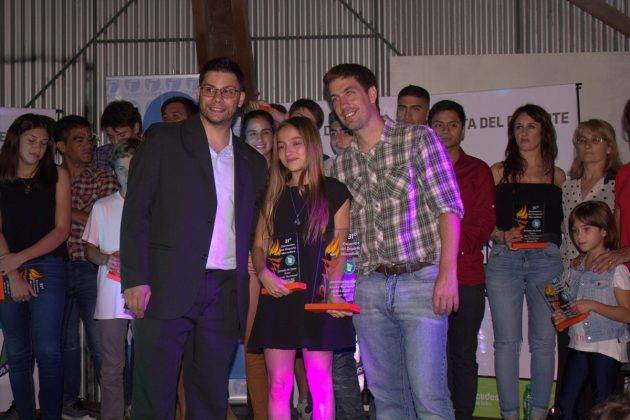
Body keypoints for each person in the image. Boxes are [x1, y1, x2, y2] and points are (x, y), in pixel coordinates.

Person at [120, 57, 267, 419]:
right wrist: (135, 278)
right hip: (165, 284)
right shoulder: (162, 140)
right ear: (199, 93)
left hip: (223, 292)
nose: (218, 98)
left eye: (227, 91)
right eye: (210, 89)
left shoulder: (252, 161)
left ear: (240, 98)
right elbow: (136, 212)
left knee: (209, 395)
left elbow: (253, 229)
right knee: (153, 394)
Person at [325, 63, 463, 419]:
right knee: (386, 399)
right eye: (335, 99)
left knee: (429, 396)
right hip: (368, 289)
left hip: (420, 281)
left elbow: (448, 207)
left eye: (349, 93)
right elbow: (345, 237)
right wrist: (339, 286)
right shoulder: (340, 167)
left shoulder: (418, 139)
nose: (342, 104)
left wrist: (448, 273)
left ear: (372, 94)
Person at [248, 117, 355, 420]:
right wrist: (263, 274)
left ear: (311, 145)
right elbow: (258, 246)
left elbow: (340, 250)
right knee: (278, 386)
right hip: (279, 296)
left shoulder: (335, 191)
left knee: (320, 383)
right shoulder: (272, 194)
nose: (288, 152)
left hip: (318, 299)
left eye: (296, 144)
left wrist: (334, 293)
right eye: (282, 146)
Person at [486, 104, 566, 420]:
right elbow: (481, 222)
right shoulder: (498, 172)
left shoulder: (557, 175)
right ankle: (509, 415)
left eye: (531, 126)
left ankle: (538, 415)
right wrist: (501, 235)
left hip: (546, 260)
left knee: (544, 343)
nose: (524, 132)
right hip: (505, 259)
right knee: (506, 343)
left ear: (544, 130)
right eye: (518, 127)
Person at [0, 114, 71, 420]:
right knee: (17, 352)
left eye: (44, 143)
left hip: (48, 266)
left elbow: (61, 230)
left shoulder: (57, 174)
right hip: (6, 267)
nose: (38, 148)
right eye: (32, 140)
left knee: (49, 351)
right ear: (15, 139)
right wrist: (13, 271)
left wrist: (21, 258)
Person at [428, 100, 496, 420]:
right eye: (438, 125)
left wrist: (447, 248)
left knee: (463, 355)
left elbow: (482, 224)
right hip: (427, 277)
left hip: (467, 277)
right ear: (429, 129)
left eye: (452, 124)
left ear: (464, 129)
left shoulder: (478, 170)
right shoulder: (420, 168)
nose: (445, 131)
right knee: (432, 358)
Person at [554, 119, 622, 415]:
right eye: (582, 140)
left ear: (609, 146)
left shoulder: (617, 183)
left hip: (603, 273)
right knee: (571, 353)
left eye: (596, 139)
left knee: (602, 382)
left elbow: (616, 228)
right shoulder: (567, 185)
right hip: (571, 273)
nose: (588, 146)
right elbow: (563, 229)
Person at [54, 115, 119, 419]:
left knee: (101, 342)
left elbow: (104, 219)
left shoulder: (103, 177)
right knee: (63, 341)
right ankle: (69, 403)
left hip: (91, 267)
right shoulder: (50, 178)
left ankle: (120, 404)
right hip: (56, 266)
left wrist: (62, 212)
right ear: (60, 145)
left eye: (90, 139)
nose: (88, 145)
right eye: (78, 140)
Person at [552, 201, 630, 419]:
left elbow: (627, 313)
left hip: (606, 346)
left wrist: (593, 305)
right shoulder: (575, 267)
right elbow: (572, 307)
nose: (579, 236)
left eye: (586, 229)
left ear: (604, 231)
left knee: (601, 405)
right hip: (578, 344)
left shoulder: (616, 269)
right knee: (565, 404)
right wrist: (563, 316)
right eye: (575, 230)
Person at [82, 137, 140, 420]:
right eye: (121, 169)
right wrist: (106, 259)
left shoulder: (158, 206)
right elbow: (89, 248)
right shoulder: (102, 206)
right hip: (111, 292)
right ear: (113, 172)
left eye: (133, 167)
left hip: (147, 292)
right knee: (112, 365)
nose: (127, 174)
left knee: (148, 361)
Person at [240, 109, 275, 419]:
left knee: (287, 347)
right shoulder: (235, 173)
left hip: (286, 265)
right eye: (252, 133)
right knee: (252, 344)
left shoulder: (287, 169)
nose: (260, 139)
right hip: (248, 267)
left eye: (266, 132)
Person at [94, 100, 142, 171]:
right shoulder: (100, 156)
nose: (116, 142)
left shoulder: (151, 154)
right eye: (111, 137)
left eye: (122, 135)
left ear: (136, 128)